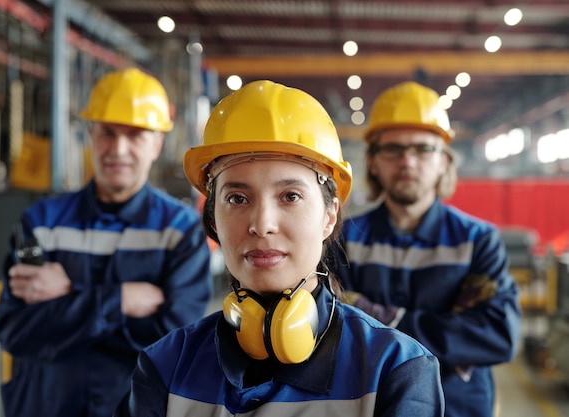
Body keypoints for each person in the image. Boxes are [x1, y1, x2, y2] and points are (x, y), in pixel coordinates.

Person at [113, 80, 445, 417]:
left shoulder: (394, 371)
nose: (262, 224)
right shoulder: (164, 366)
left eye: (290, 196)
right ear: (213, 220)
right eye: (237, 198)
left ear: (329, 217)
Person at [0, 67, 213, 417]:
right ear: (90, 135)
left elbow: (173, 347)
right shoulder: (42, 222)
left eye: (135, 135)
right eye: (107, 133)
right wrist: (123, 299)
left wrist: (68, 297)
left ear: (157, 143)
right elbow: (16, 330)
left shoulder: (179, 231)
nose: (118, 149)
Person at [334, 81, 521, 417]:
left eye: (423, 149)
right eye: (392, 149)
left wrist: (384, 320)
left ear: (443, 161)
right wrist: (447, 330)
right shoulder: (346, 238)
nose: (407, 161)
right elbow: (331, 328)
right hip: (374, 405)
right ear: (373, 162)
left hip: (459, 407)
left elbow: (498, 334)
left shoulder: (477, 241)